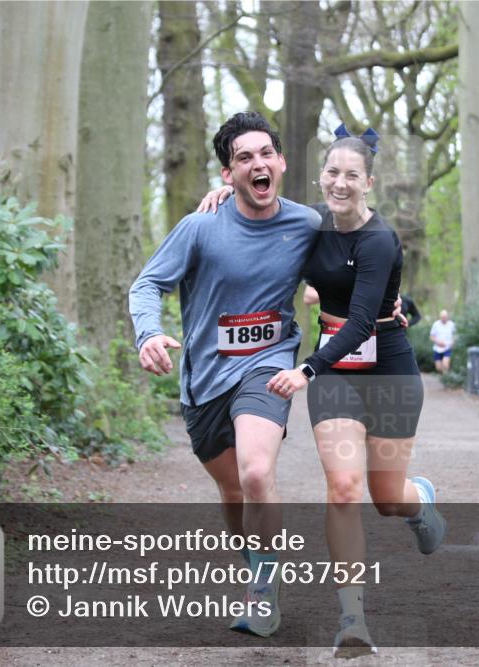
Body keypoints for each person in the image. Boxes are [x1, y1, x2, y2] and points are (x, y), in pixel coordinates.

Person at [200, 124, 446, 658]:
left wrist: (305, 370)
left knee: (385, 498)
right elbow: (264, 220)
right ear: (320, 177)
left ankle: (419, 501)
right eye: (332, 172)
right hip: (336, 379)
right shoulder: (310, 224)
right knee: (342, 488)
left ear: (368, 183)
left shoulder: (379, 239)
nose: (340, 183)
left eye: (351, 175)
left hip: (388, 370)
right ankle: (352, 619)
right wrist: (224, 196)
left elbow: (359, 322)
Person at [129, 111, 321, 638]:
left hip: (269, 364)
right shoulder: (200, 227)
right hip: (205, 380)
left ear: (280, 162)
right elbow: (147, 286)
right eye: (243, 158)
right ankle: (258, 571)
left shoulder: (306, 224)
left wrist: (382, 300)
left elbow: (357, 255)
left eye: (265, 154)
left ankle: (262, 594)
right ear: (226, 174)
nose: (257, 164)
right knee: (234, 492)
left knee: (257, 473)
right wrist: (148, 332)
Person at [430, 309, 457, 374]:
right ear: (440, 317)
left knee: (445, 364)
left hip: (447, 347)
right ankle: (443, 376)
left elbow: (455, 335)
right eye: (442, 317)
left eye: (445, 317)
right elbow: (431, 337)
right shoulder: (436, 324)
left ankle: (446, 378)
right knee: (438, 368)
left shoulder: (452, 324)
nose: (444, 318)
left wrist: (453, 343)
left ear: (447, 317)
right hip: (437, 348)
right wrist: (438, 342)